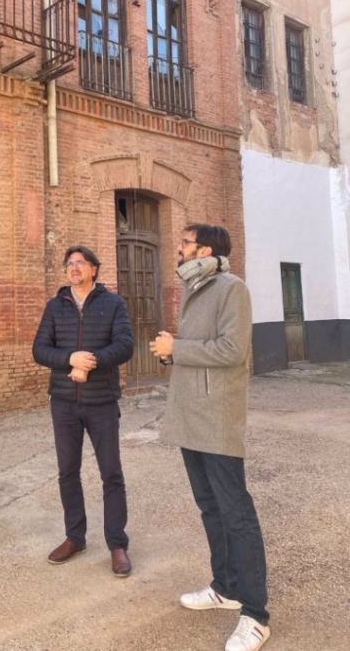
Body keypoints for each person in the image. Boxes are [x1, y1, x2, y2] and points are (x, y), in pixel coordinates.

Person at [150, 224, 269, 651]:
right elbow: (200, 350)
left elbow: (232, 351)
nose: (177, 248)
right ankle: (226, 586)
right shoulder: (195, 287)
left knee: (236, 513)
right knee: (210, 507)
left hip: (216, 417)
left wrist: (176, 348)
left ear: (204, 249)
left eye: (183, 242)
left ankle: (255, 615)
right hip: (190, 416)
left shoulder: (230, 288)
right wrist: (173, 352)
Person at [33, 245, 134, 577]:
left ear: (94, 269)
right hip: (63, 403)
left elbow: (124, 345)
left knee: (111, 474)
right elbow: (40, 350)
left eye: (80, 263)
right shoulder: (55, 306)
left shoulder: (113, 304)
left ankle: (117, 544)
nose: (73, 267)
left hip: (101, 401)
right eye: (69, 264)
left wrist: (89, 361)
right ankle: (75, 538)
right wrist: (69, 360)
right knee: (67, 472)